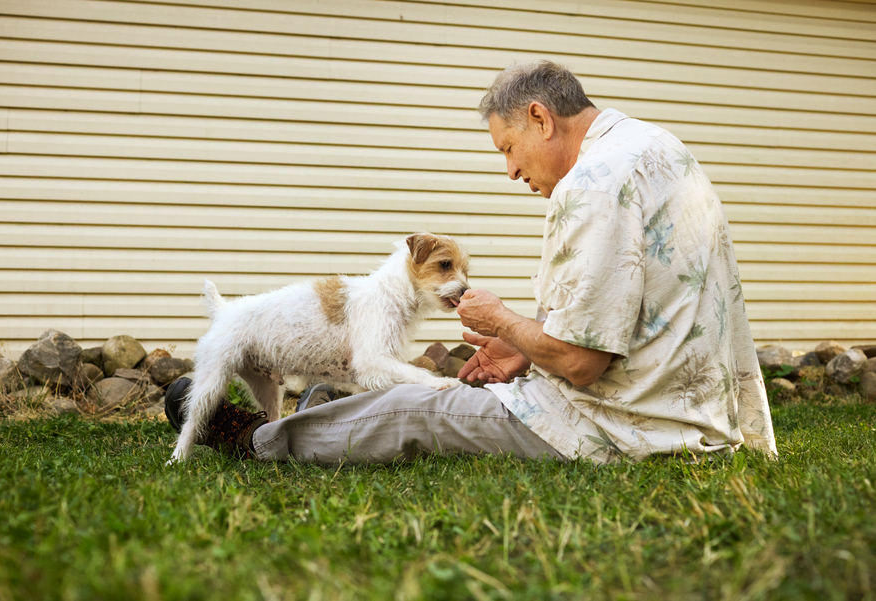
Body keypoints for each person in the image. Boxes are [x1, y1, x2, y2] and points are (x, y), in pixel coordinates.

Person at [164, 60, 777, 465]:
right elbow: (637, 307)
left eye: (508, 148)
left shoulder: (591, 185)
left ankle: (256, 439)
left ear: (540, 117)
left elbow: (583, 365)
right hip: (694, 417)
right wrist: (525, 351)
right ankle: (317, 409)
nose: (511, 170)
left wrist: (505, 324)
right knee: (398, 388)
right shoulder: (662, 149)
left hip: (615, 427)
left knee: (417, 407)